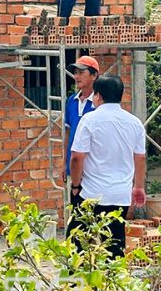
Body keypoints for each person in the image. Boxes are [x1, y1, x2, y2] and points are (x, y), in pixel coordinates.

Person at [67, 75, 147, 258]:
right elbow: (140, 158)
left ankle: (75, 285)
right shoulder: (135, 123)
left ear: (98, 96)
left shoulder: (89, 120)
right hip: (120, 196)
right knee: (115, 246)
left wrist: (75, 186)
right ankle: (113, 285)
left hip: (90, 194)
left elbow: (77, 157)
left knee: (78, 244)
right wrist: (139, 187)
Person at [63, 55, 99, 177]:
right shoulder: (72, 100)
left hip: (93, 168)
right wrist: (65, 162)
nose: (76, 77)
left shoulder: (100, 103)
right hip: (73, 165)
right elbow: (68, 132)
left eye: (81, 73)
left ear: (94, 76)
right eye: (75, 73)